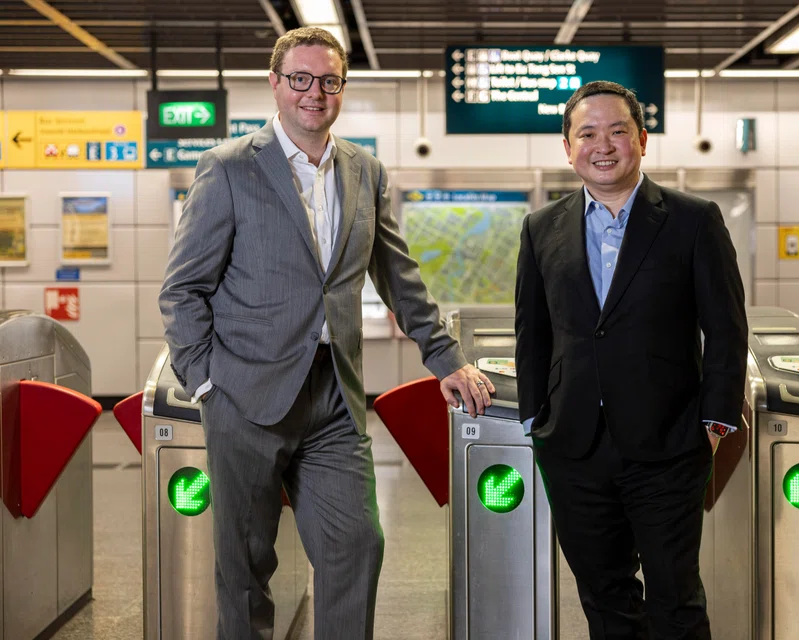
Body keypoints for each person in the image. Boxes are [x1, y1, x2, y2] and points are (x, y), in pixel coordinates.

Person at [159, 26, 495, 640]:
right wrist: (206, 382)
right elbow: (182, 289)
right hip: (244, 397)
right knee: (246, 567)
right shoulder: (229, 168)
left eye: (329, 81)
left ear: (342, 87)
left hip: (334, 396)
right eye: (301, 79)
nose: (315, 93)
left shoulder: (364, 170)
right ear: (276, 84)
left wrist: (444, 357)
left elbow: (399, 276)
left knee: (356, 547)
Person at [514, 80, 748, 639]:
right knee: (604, 597)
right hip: (574, 445)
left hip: (669, 445)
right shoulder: (542, 227)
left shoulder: (693, 220)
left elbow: (726, 326)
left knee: (675, 599)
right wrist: (534, 419)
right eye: (587, 133)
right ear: (567, 147)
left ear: (642, 140)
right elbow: (533, 331)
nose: (604, 144)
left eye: (618, 131)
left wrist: (714, 423)